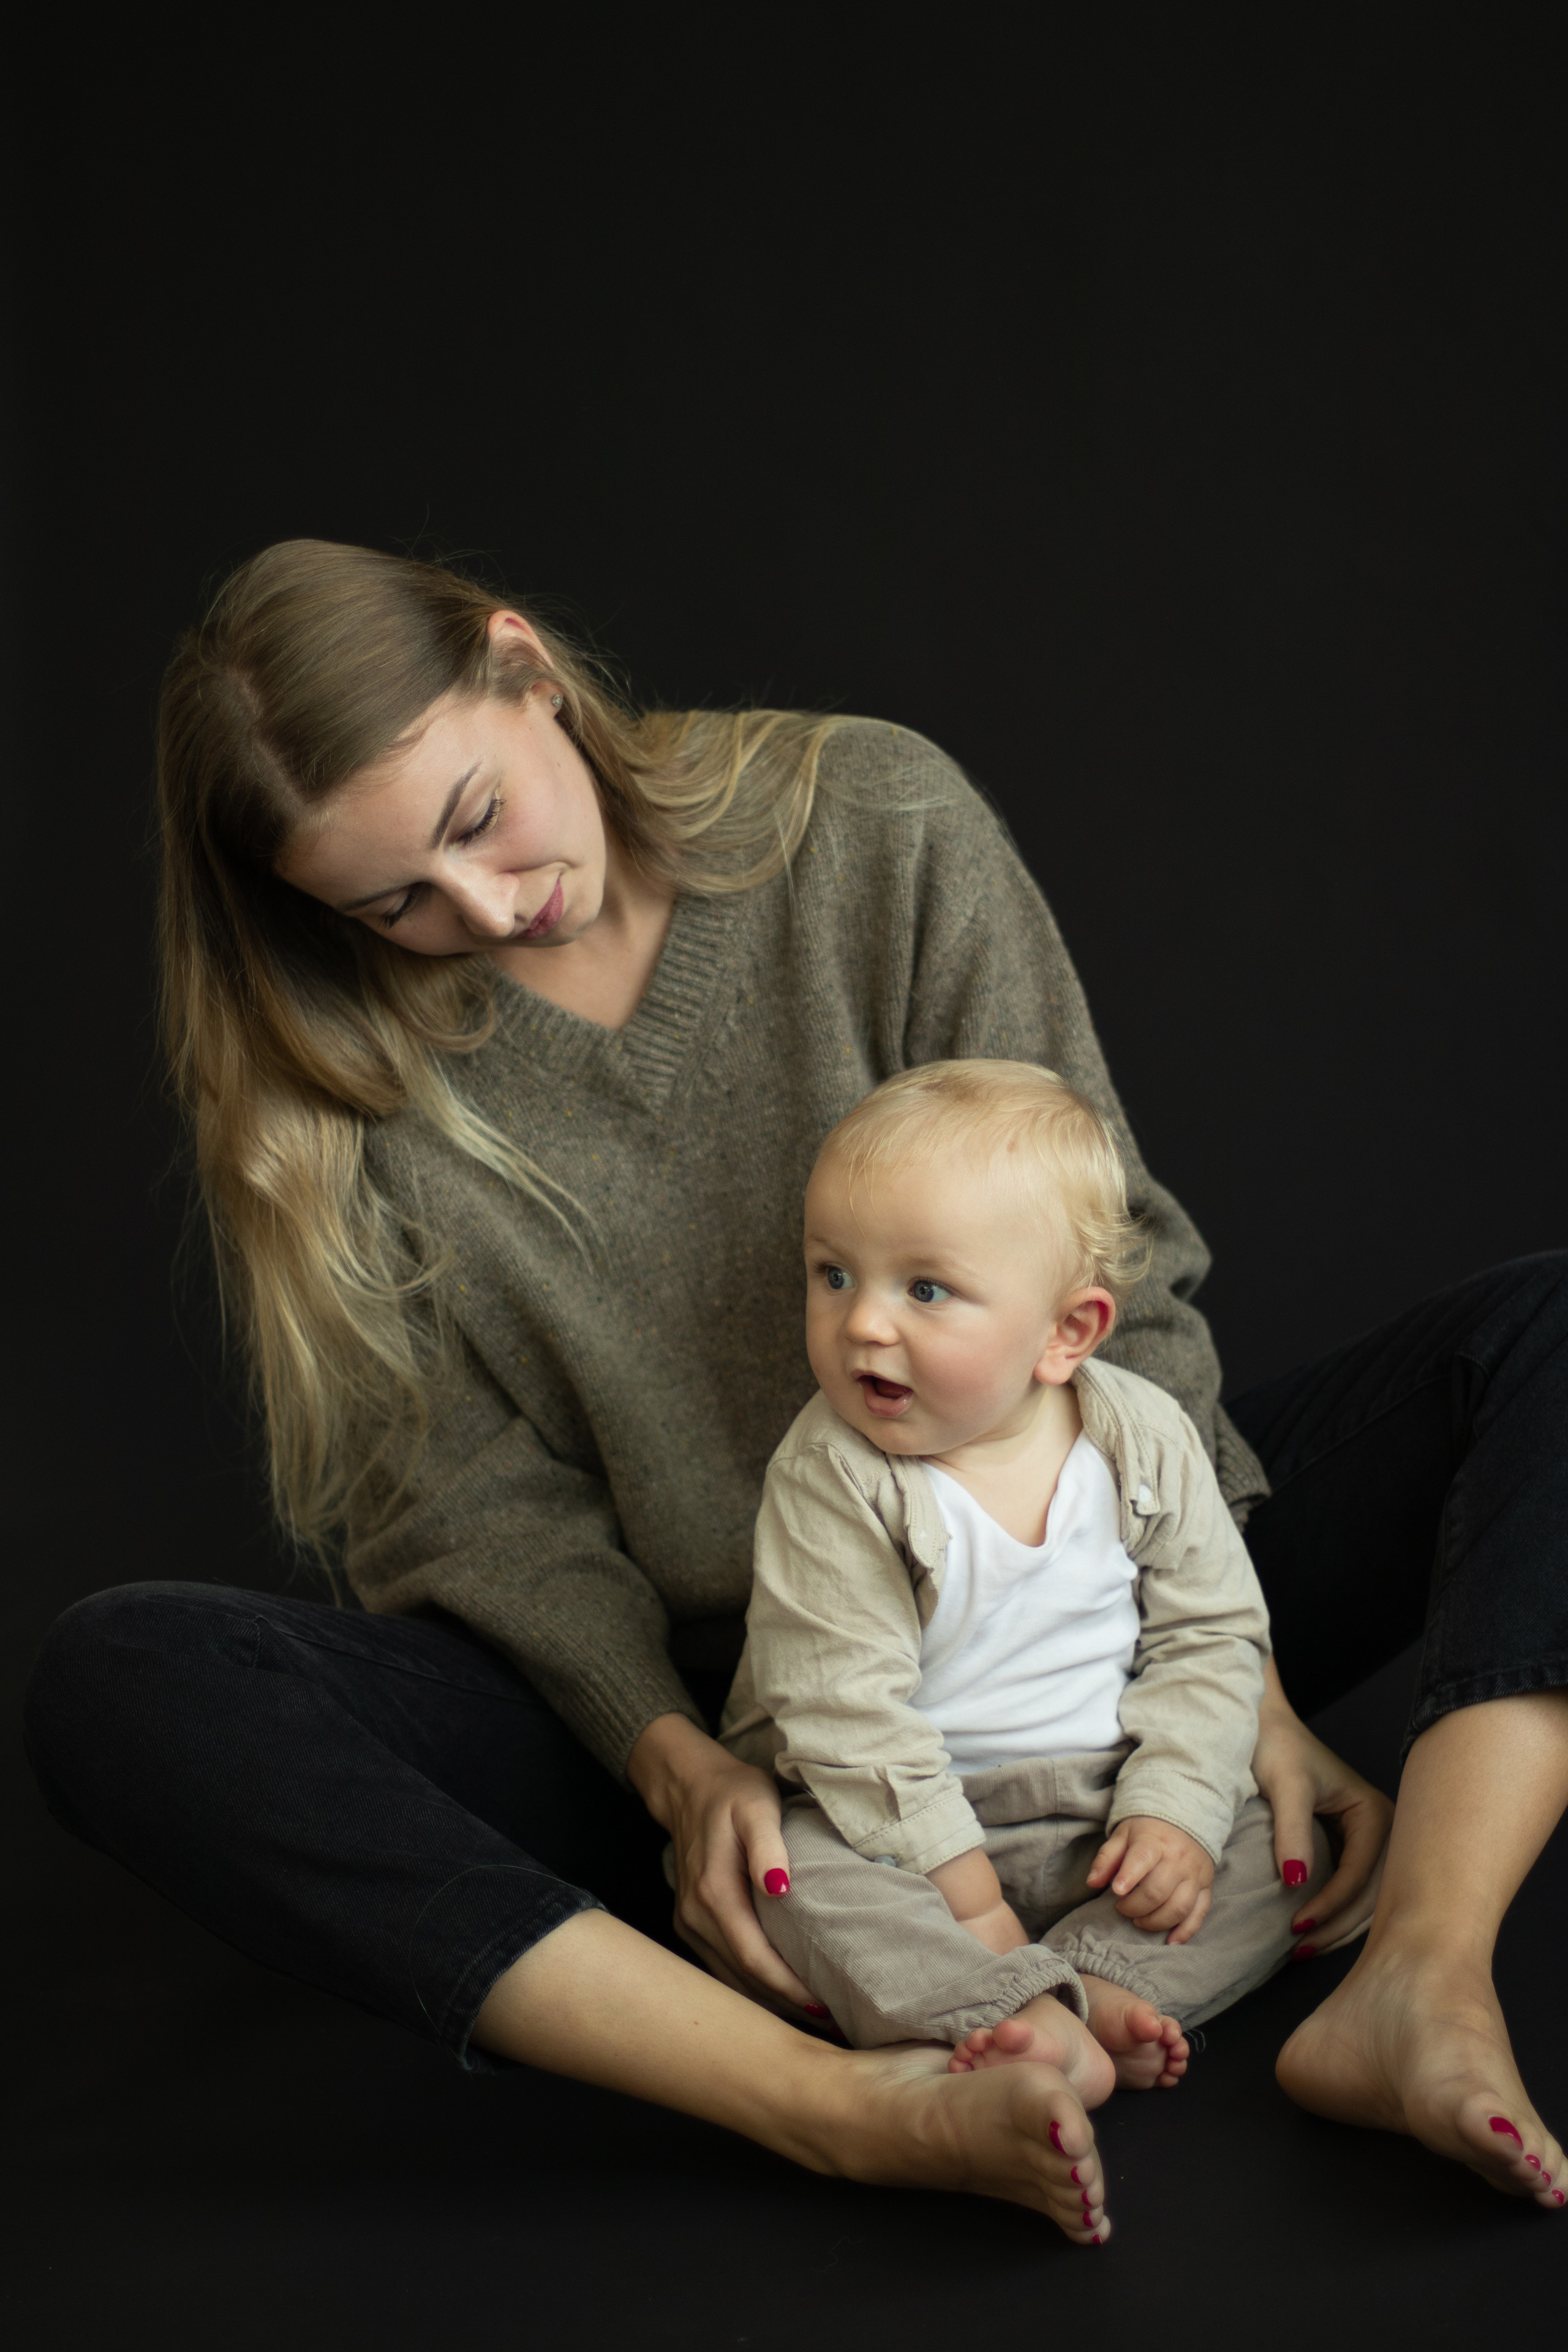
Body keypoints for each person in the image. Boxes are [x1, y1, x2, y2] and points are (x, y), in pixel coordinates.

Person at [22, 540, 1566, 2239]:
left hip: (1077, 1598)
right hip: (720, 1722)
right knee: (124, 1679)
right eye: (390, 903)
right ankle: (838, 2103)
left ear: (526, 666)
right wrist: (677, 1767)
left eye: (474, 819)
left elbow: (1102, 1261)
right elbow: (472, 1508)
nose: (478, 911)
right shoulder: (341, 1078)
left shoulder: (869, 826)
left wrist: (1245, 1683)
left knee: (1548, 1330)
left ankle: (1420, 1975)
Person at [725, 1058, 1336, 2239]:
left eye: (927, 1289)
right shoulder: (834, 1472)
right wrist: (964, 1895)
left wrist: (1169, 1811)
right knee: (790, 1878)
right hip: (899, 1824)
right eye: (833, 1273)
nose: (862, 1321)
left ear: (1069, 1332)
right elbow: (841, 1707)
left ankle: (1102, 1990)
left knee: (1267, 1838)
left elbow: (1211, 1634)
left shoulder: (1141, 1437)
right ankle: (1020, 2012)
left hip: (1101, 1807)